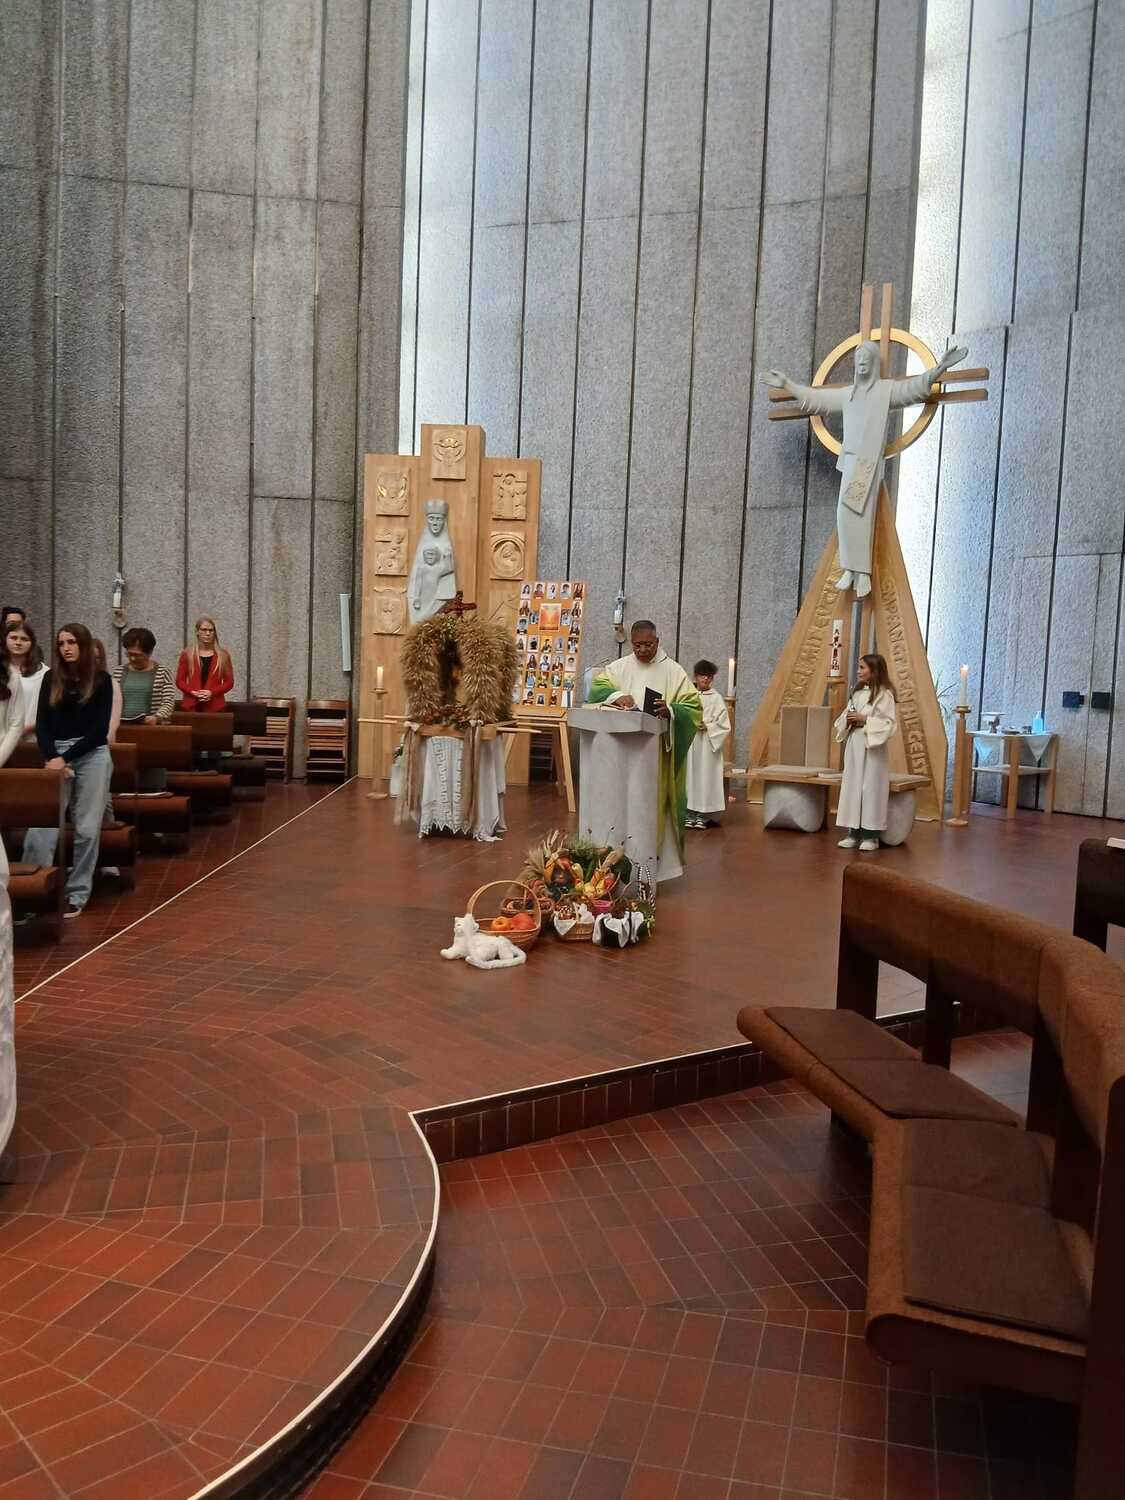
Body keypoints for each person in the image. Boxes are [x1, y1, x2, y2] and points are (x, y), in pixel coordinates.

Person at [588, 621, 701, 871]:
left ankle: (653, 867)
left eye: (648, 645)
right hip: (621, 753)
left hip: (656, 756)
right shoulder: (619, 667)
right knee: (622, 805)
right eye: (637, 645)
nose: (642, 650)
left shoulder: (673, 671)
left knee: (649, 807)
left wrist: (671, 710)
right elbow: (596, 689)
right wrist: (617, 696)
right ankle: (617, 859)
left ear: (657, 642)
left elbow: (693, 707)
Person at [23, 624, 114, 917]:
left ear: (84, 645)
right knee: (41, 828)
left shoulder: (101, 680)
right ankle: (32, 893)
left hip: (92, 754)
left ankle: (77, 893)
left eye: (72, 642)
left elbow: (99, 731)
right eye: (61, 643)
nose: (66, 648)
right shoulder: (51, 678)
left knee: (86, 828)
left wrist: (67, 758)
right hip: (56, 754)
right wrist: (53, 757)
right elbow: (42, 724)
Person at [835, 653, 898, 852]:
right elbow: (844, 717)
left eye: (862, 667)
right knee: (853, 786)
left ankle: (871, 835)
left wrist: (865, 719)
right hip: (855, 744)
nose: (858, 671)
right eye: (858, 667)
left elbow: (889, 723)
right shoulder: (857, 693)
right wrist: (848, 719)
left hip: (872, 747)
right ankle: (853, 833)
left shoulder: (884, 694)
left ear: (874, 670)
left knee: (870, 789)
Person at [685, 659, 731, 830]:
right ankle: (688, 813)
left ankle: (703, 815)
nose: (706, 679)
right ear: (695, 677)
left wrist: (708, 726)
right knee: (689, 777)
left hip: (708, 744)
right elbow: (680, 713)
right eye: (702, 676)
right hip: (690, 742)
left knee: (705, 778)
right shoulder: (688, 695)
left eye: (709, 677)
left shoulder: (716, 698)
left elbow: (724, 724)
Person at [113, 628, 176, 723]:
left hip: (151, 728)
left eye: (137, 655)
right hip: (122, 726)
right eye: (129, 654)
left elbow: (168, 702)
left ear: (149, 652)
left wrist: (157, 717)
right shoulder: (118, 672)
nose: (132, 658)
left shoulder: (163, 672)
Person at [176, 616, 234, 712]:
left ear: (214, 633)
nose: (208, 633)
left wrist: (212, 692)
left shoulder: (223, 655)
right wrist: (193, 692)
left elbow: (229, 682)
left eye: (211, 630)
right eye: (204, 630)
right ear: (197, 632)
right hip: (191, 705)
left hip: (215, 706)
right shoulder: (187, 654)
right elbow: (180, 681)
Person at [3, 619, 47, 734]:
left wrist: (26, 729)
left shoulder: (44, 673)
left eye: (24, 639)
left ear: (32, 643)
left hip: (31, 738)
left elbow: (50, 711)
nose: (18, 642)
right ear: (4, 640)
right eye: (13, 638)